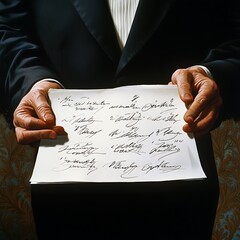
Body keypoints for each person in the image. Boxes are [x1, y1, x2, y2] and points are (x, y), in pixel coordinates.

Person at [0, 0, 239, 239]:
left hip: (181, 188)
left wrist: (211, 75)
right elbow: (8, 30)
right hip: (64, 186)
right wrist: (31, 82)